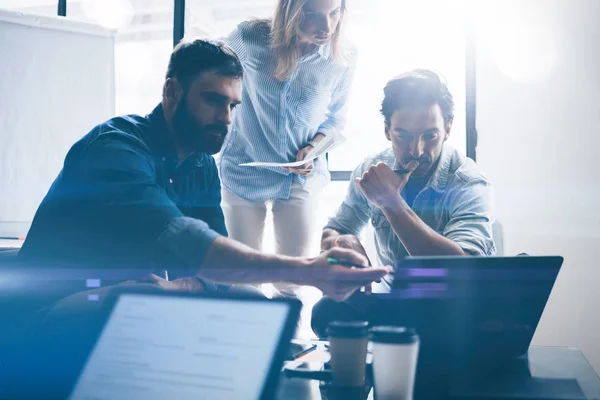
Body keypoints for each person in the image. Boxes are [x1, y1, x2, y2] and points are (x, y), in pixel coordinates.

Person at [18, 39, 388, 303]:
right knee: (136, 297)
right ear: (172, 92)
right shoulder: (115, 149)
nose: (225, 118)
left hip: (127, 308)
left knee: (251, 303)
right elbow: (192, 242)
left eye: (233, 105)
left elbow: (215, 268)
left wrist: (184, 288)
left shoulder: (201, 165)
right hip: (53, 308)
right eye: (213, 100)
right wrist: (308, 270)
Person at [311, 69, 496, 337]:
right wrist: (341, 243)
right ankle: (363, 373)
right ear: (387, 130)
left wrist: (391, 203)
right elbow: (335, 229)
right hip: (397, 303)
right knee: (327, 311)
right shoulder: (371, 169)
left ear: (448, 129)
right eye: (404, 135)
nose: (417, 150)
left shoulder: (468, 182)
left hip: (456, 309)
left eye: (430, 136)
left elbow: (461, 271)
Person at [219, 0, 357, 289]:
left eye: (334, 13)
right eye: (314, 16)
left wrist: (313, 149)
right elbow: (211, 72)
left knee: (293, 282)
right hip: (244, 169)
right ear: (292, 12)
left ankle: (288, 334)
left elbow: (336, 120)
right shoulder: (249, 38)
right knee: (243, 279)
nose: (327, 27)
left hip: (299, 178)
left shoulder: (343, 57)